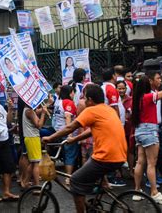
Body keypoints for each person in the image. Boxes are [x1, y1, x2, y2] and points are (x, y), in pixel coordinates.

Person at [43, 84, 127, 213]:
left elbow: (71, 127)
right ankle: (101, 189)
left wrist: (50, 138)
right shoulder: (108, 109)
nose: (82, 100)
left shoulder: (91, 110)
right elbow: (91, 131)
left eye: (84, 98)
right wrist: (74, 139)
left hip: (105, 157)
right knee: (90, 169)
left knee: (75, 180)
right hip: (120, 155)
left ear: (90, 100)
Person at [132, 69, 162, 205]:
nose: (159, 80)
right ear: (148, 83)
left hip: (140, 130)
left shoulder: (138, 98)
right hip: (149, 131)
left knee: (140, 161)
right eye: (157, 78)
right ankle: (154, 192)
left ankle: (137, 191)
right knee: (151, 163)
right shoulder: (149, 97)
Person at [52, 85, 79, 185]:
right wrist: (70, 134)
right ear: (69, 93)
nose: (73, 94)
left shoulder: (58, 102)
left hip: (59, 131)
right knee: (70, 155)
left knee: (66, 154)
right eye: (72, 92)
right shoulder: (68, 102)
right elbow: (68, 117)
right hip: (66, 132)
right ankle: (68, 177)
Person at [22, 98, 47, 188]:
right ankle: (37, 186)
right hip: (32, 137)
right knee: (36, 163)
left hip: (31, 137)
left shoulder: (28, 110)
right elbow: (39, 125)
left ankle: (25, 182)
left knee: (32, 162)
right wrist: (43, 113)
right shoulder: (29, 111)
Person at [117, 80, 135, 176]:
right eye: (119, 88)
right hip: (118, 129)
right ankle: (118, 171)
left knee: (130, 150)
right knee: (119, 150)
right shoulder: (114, 101)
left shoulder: (131, 100)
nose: (121, 90)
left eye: (123, 88)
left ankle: (131, 170)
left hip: (129, 129)